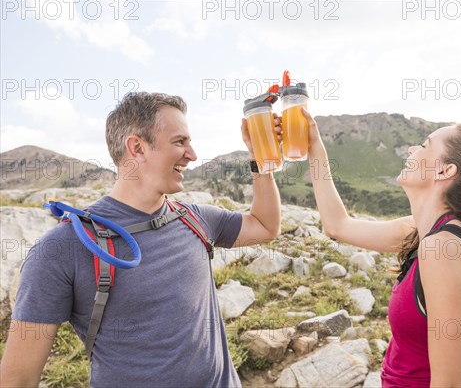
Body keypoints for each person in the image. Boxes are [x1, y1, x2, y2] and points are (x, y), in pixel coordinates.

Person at [0, 92, 281, 387]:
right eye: (179, 142)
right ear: (137, 147)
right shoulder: (63, 248)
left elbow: (264, 225)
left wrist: (261, 159)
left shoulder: (196, 219)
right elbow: (18, 380)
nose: (192, 155)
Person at [285, 109, 461, 387]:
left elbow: (449, 384)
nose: (413, 148)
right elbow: (337, 225)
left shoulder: (443, 250)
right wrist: (314, 146)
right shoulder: (421, 231)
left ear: (445, 170)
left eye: (425, 145)